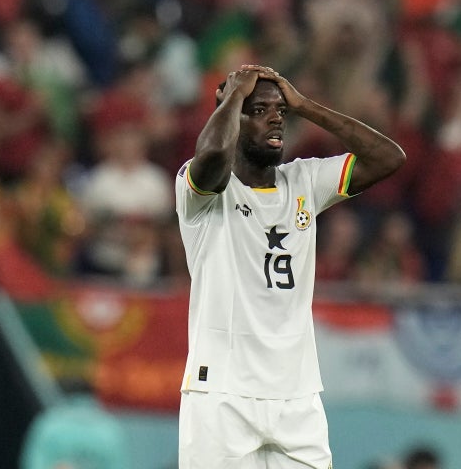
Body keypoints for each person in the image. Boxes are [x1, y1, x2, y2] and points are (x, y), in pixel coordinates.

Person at [174, 64, 406, 468]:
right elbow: (211, 154)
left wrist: (307, 106)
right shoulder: (203, 192)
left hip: (297, 396)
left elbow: (389, 157)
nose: (275, 117)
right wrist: (232, 96)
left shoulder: (305, 182)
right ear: (233, 116)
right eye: (259, 109)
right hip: (222, 394)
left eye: (279, 110)